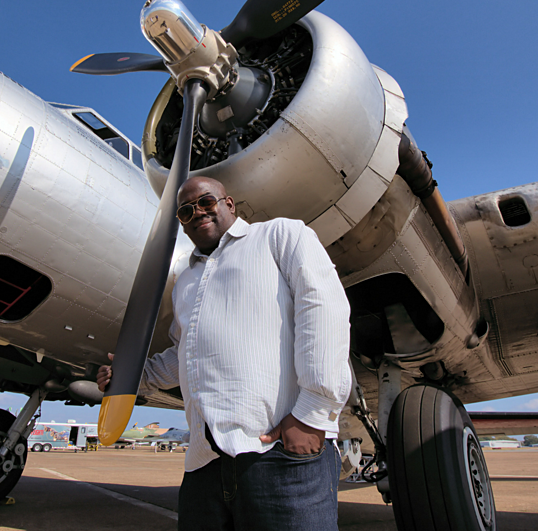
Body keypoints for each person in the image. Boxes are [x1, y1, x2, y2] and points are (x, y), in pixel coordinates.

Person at [97, 176, 351, 530]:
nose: (197, 212)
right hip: (203, 467)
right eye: (186, 211)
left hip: (279, 456)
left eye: (206, 201)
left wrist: (312, 414)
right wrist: (133, 378)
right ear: (182, 225)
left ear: (229, 204)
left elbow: (324, 307)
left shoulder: (280, 235)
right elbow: (184, 352)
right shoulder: (184, 282)